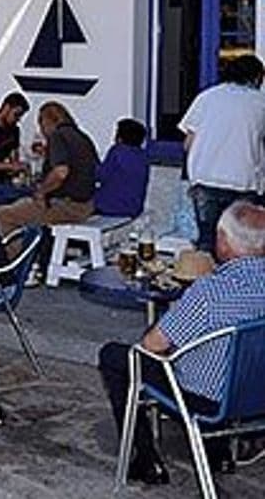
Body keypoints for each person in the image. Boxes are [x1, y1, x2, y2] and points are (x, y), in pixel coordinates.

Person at [98, 200, 265, 485]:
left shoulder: (210, 292)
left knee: (117, 357)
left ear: (224, 242)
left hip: (208, 400)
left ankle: (145, 459)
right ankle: (218, 452)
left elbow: (151, 346)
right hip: (256, 393)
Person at [179, 54, 265, 252]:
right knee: (244, 246)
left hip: (206, 179)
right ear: (256, 77)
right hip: (244, 182)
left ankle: (207, 282)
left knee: (208, 242)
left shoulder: (207, 97)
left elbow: (188, 143)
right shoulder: (260, 103)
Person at [0, 101, 99, 242]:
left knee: (2, 215)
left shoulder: (57, 136)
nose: (41, 131)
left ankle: (3, 259)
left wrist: (41, 191)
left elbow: (61, 172)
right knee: (22, 211)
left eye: (41, 124)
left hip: (67, 207)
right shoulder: (82, 137)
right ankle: (24, 254)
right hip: (86, 205)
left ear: (47, 121)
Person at [93, 118, 149, 218]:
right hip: (133, 208)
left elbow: (101, 175)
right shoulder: (142, 156)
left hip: (109, 206)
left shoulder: (117, 151)